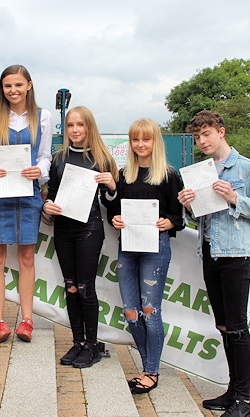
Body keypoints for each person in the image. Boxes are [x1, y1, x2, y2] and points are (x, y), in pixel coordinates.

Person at [177, 110, 250, 417]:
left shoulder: (245, 168)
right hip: (210, 253)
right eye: (197, 137)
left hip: (235, 255)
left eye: (207, 134)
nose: (202, 141)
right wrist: (189, 206)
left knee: (237, 327)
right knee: (223, 325)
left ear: (221, 131)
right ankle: (233, 391)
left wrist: (234, 198)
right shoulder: (200, 170)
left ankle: (245, 400)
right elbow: (202, 217)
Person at [104, 118, 184, 393]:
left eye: (145, 139)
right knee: (131, 312)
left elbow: (178, 214)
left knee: (150, 311)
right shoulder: (124, 174)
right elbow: (112, 208)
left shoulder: (169, 175)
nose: (140, 144)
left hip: (156, 249)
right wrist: (115, 220)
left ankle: (151, 371)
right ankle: (147, 364)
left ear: (155, 142)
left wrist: (170, 223)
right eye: (135, 140)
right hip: (127, 247)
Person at [0, 65, 52, 343]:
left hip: (28, 192)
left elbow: (45, 156)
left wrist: (39, 171)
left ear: (29, 85)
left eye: (19, 85)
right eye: (8, 86)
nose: (13, 90)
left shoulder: (43, 116)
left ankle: (27, 320)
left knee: (26, 257)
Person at [43, 106, 117, 367]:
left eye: (80, 125)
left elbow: (112, 203)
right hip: (63, 229)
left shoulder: (102, 158)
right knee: (71, 287)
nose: (75, 130)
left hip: (89, 229)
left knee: (86, 288)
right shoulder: (58, 158)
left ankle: (93, 345)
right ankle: (78, 343)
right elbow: (50, 193)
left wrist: (111, 187)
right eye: (71, 125)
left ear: (89, 127)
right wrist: (46, 206)